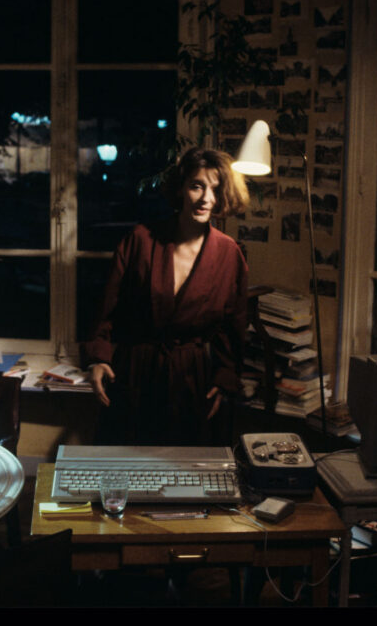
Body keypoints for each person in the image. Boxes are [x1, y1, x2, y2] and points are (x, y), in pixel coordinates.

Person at [80, 147, 251, 446]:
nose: (205, 198)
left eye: (215, 189)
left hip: (192, 379)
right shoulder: (141, 240)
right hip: (135, 370)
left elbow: (232, 328)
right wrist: (98, 357)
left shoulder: (229, 254)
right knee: (124, 473)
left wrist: (224, 379)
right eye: (197, 186)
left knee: (185, 477)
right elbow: (105, 308)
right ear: (181, 188)